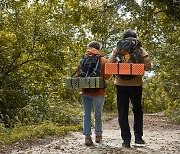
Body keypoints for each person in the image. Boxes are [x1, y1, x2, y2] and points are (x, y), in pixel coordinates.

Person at [108, 29, 151, 148]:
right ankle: (138, 138)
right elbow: (148, 66)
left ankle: (126, 140)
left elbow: (109, 65)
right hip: (136, 85)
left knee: (122, 113)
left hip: (120, 85)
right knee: (137, 110)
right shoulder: (140, 49)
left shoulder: (118, 49)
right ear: (135, 37)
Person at [76, 41, 110, 146]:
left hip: (85, 90)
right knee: (98, 114)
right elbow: (107, 76)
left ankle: (87, 137)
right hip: (99, 91)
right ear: (98, 49)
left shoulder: (83, 59)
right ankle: (98, 136)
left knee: (87, 114)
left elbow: (78, 75)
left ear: (89, 48)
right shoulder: (103, 60)